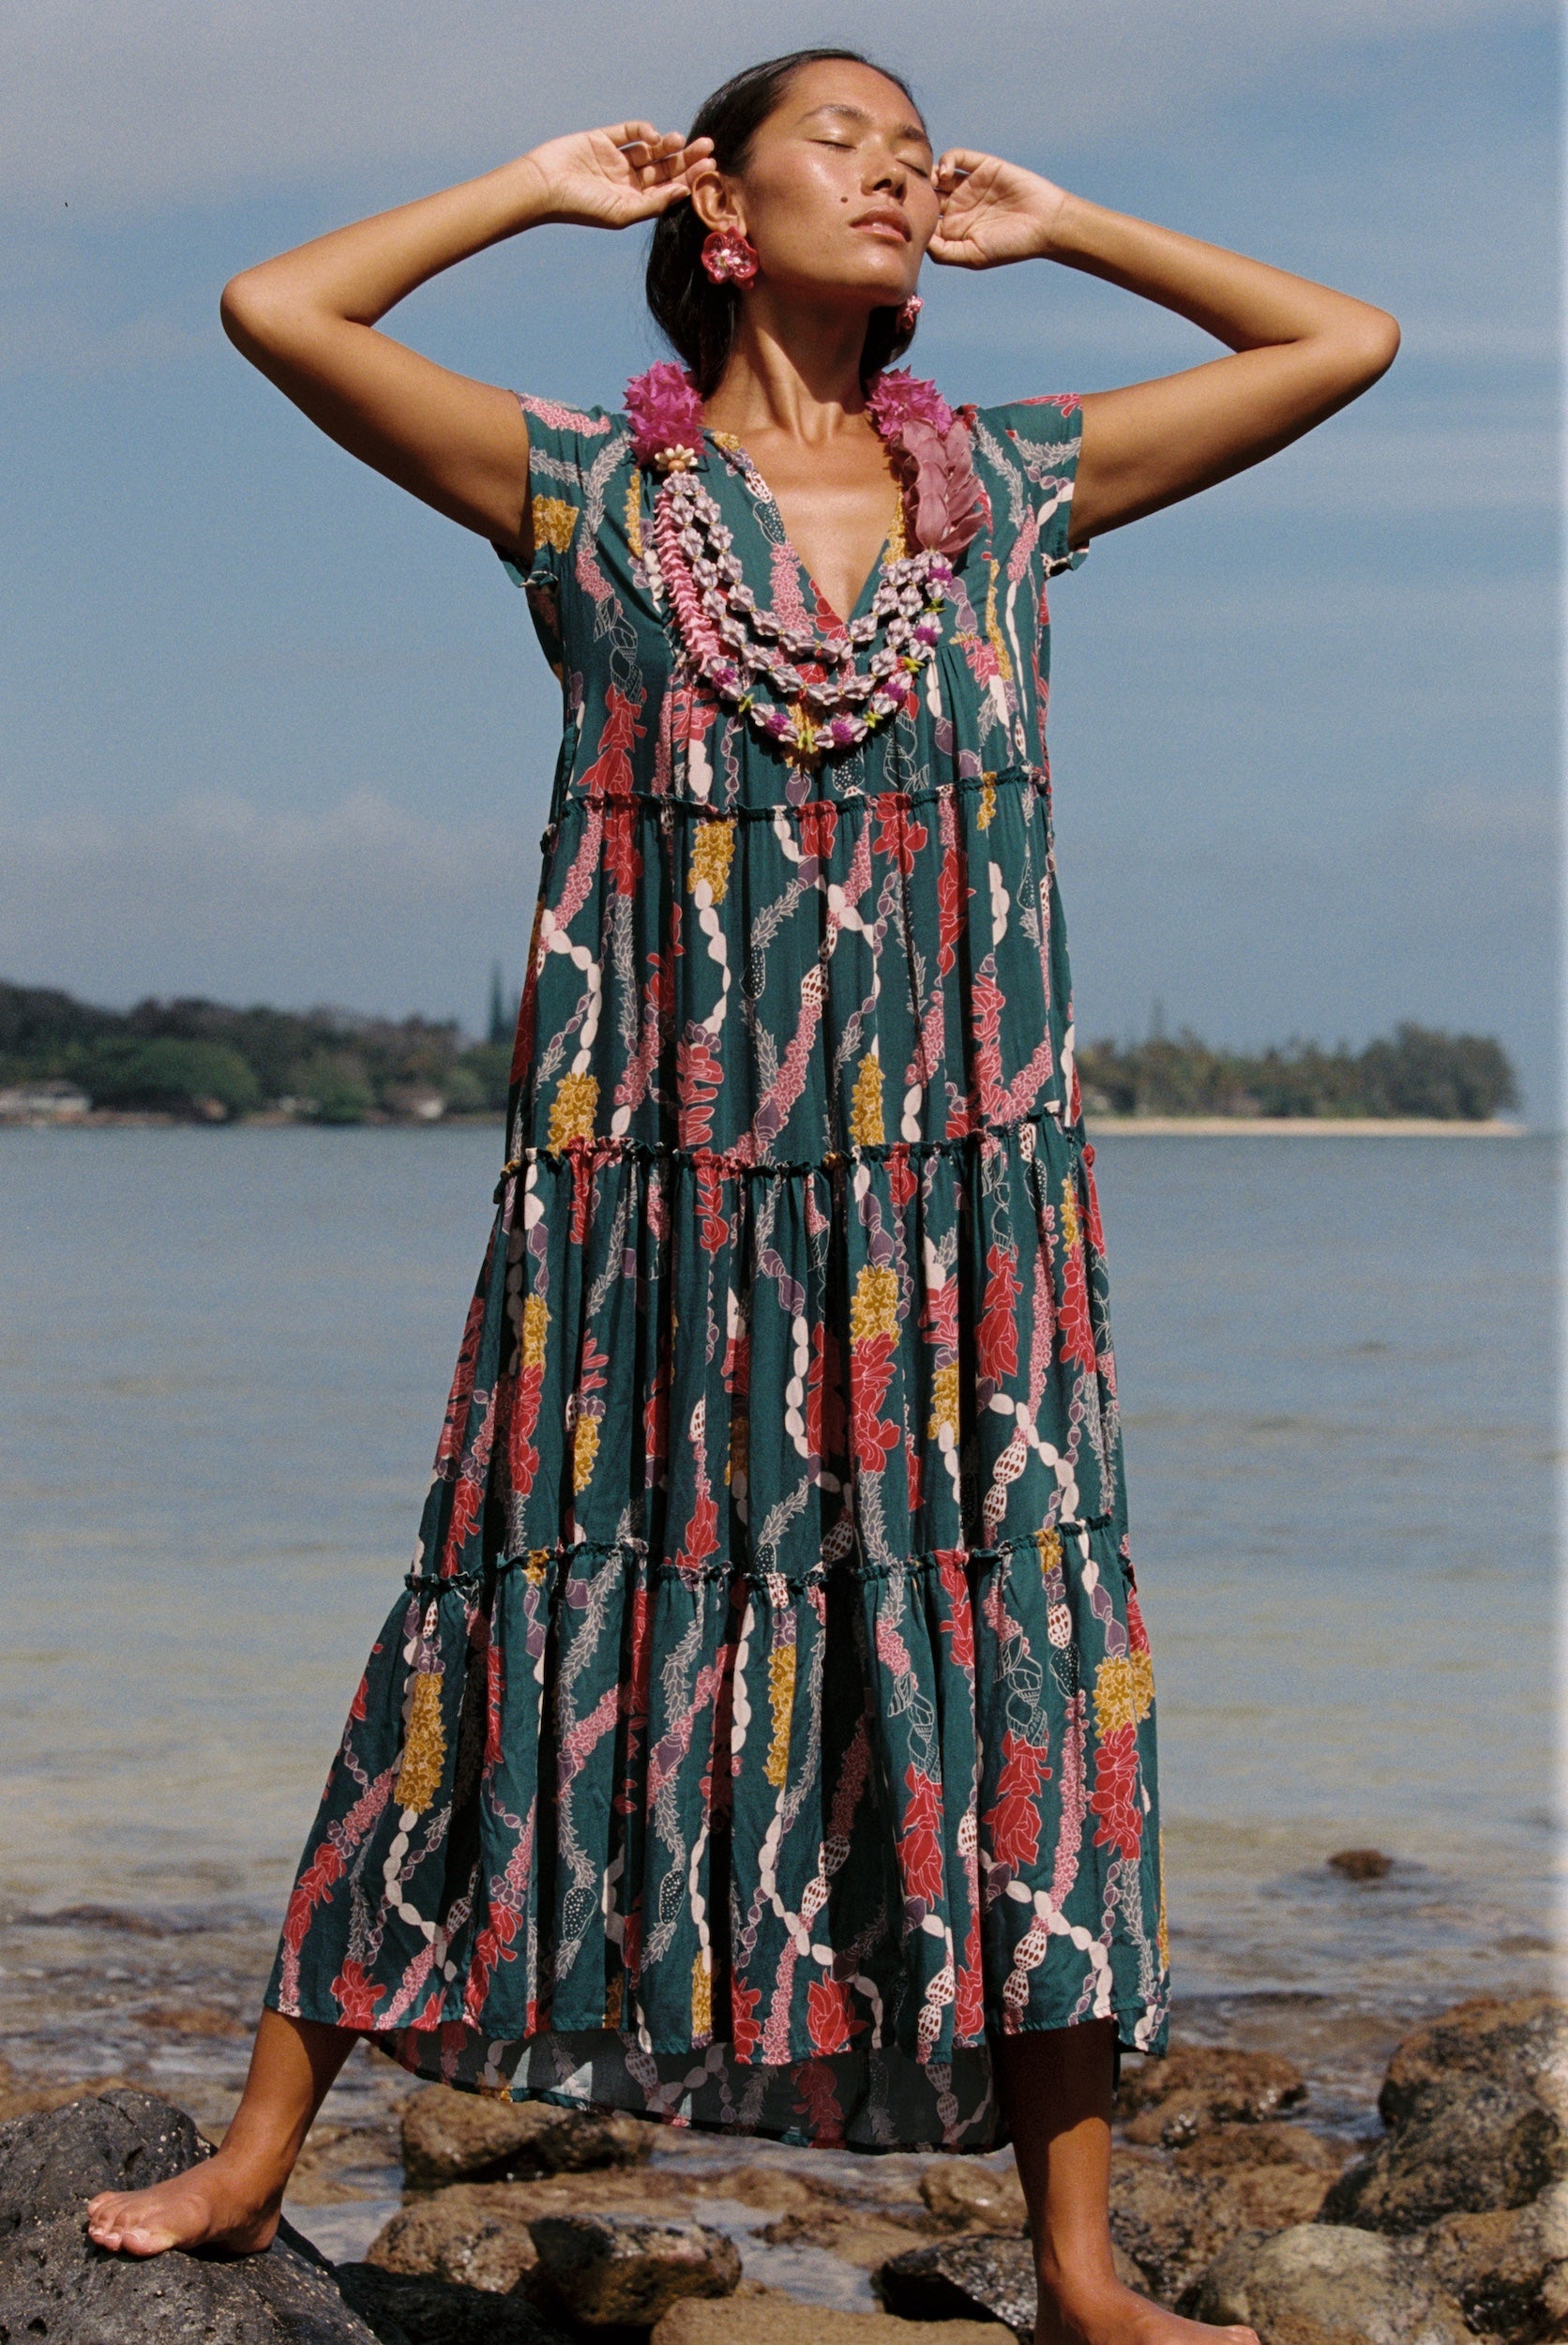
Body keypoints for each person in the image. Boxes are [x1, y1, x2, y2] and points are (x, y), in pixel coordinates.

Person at [86, 48, 1395, 2344]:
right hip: (642, 1205)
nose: (894, 169)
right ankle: (258, 2148)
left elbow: (1338, 344)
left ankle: (1079, 2266)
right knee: (508, 1627)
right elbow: (278, 309)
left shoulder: (1002, 481)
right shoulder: (585, 491)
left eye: (916, 149)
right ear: (715, 201)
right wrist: (523, 184)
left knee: (1006, 1670)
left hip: (952, 1228)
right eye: (843, 139)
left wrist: (1064, 219)